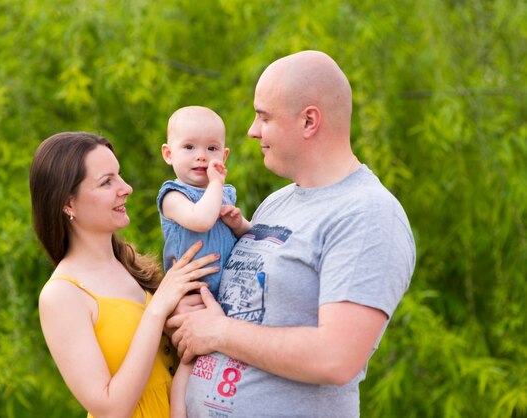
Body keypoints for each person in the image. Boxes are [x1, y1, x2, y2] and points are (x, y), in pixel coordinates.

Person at [167, 51, 416, 417]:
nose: (252, 130)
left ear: (309, 121)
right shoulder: (277, 203)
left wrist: (218, 332)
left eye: (264, 117)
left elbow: (337, 357)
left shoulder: (367, 213)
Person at [29, 132, 221, 418]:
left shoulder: (132, 265)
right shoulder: (62, 294)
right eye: (107, 182)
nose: (127, 188)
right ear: (68, 203)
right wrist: (157, 311)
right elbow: (111, 409)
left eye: (119, 176)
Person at [156, 106, 251, 417]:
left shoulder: (223, 194)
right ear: (169, 154)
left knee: (220, 356)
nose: (200, 156)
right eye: (189, 147)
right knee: (189, 357)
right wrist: (215, 186)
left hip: (222, 296)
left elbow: (250, 234)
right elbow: (201, 220)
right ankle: (178, 413)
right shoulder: (173, 196)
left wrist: (238, 223)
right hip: (190, 294)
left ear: (223, 156)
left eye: (211, 148)